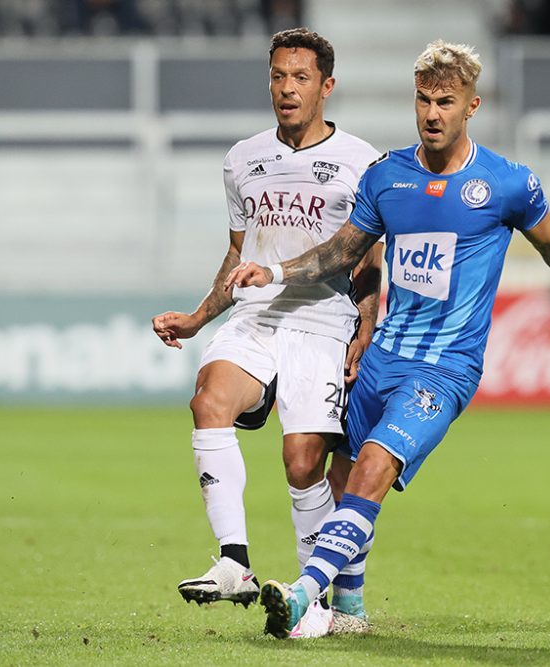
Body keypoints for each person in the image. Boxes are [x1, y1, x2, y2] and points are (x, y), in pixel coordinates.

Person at [223, 39, 550, 638]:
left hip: (445, 368)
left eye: (445, 102)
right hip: (383, 356)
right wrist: (272, 271)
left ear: (471, 107)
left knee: (375, 464)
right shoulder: (386, 177)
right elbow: (342, 252)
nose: (432, 113)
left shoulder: (506, 184)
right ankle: (350, 610)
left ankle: (305, 594)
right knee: (341, 475)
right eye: (423, 100)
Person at [152, 27, 383, 637]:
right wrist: (200, 316)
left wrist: (365, 330)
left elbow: (368, 261)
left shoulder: (363, 161)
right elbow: (238, 252)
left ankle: (319, 600)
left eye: (300, 77)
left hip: (323, 318)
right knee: (209, 400)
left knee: (303, 462)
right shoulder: (242, 159)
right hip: (255, 314)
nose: (287, 88)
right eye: (278, 76)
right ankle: (235, 562)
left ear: (326, 86)